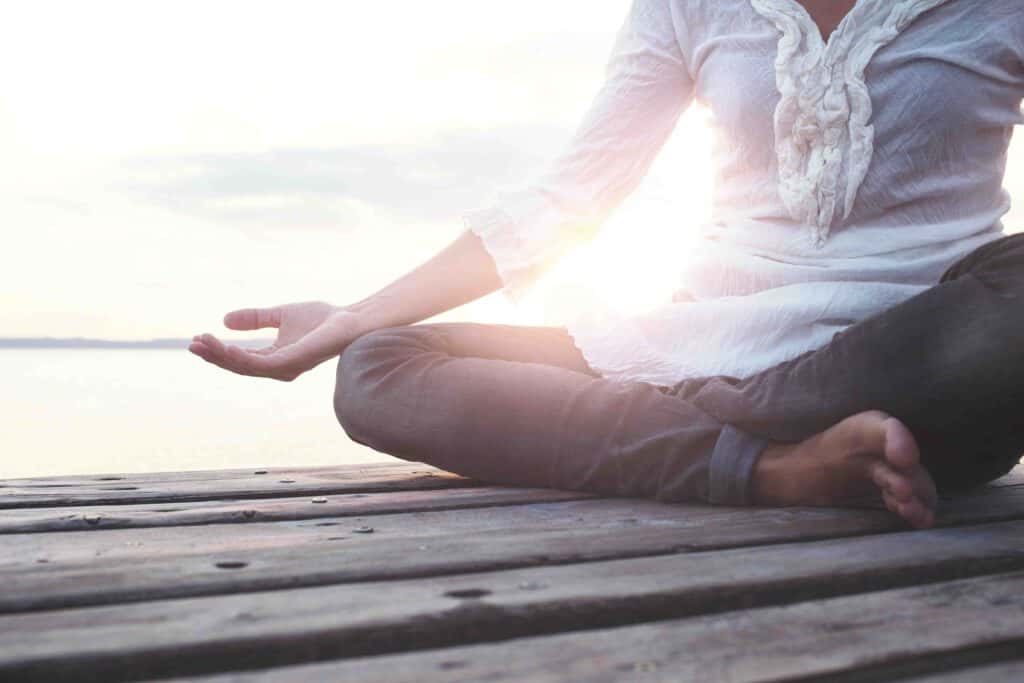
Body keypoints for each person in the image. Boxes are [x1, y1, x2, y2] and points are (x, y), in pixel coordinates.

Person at [190, 0, 1024, 530]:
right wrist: (352, 318)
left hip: (919, 356)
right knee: (379, 366)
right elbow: (568, 198)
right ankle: (772, 467)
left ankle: (724, 427)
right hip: (708, 345)